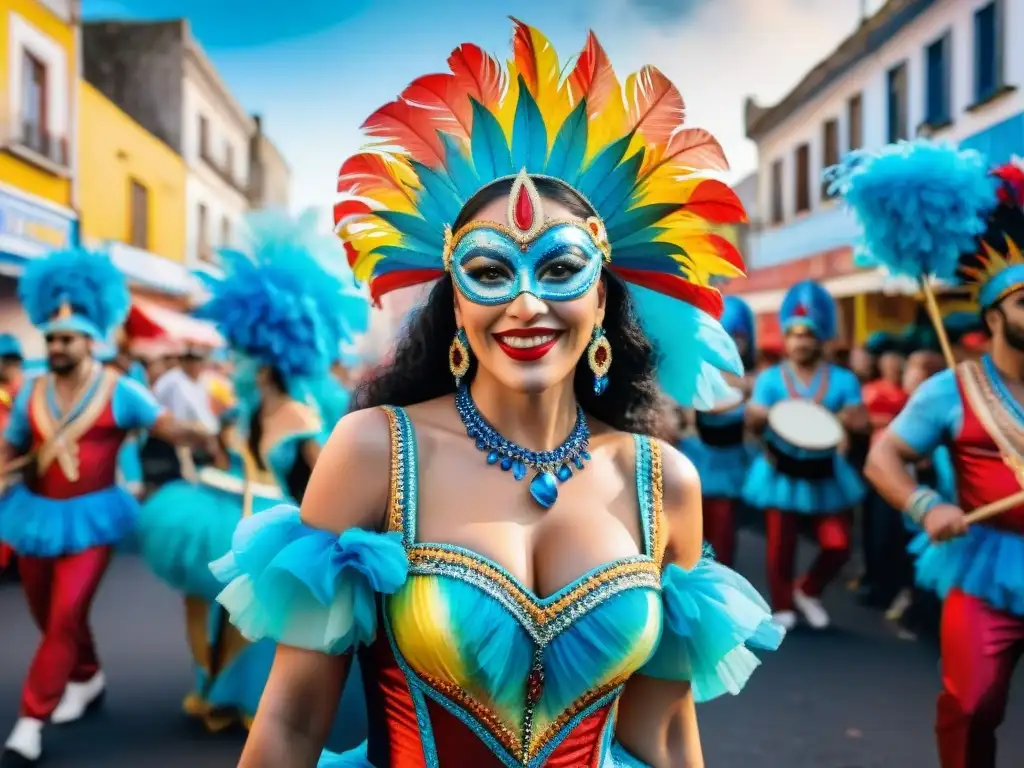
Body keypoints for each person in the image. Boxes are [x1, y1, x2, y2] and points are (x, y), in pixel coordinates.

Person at [209, 21, 783, 768]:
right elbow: (290, 721)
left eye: (559, 270)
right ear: (455, 304)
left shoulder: (663, 481)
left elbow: (664, 734)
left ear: (604, 301)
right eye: (489, 273)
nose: (525, 304)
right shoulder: (375, 452)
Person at [135, 209, 368, 735]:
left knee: (259, 622)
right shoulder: (243, 411)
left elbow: (328, 468)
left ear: (266, 366)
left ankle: (257, 706)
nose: (234, 366)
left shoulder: (301, 417)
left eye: (243, 359)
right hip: (226, 514)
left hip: (272, 526)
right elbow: (227, 455)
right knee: (217, 610)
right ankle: (217, 692)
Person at [0, 248, 213, 766]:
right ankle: (87, 676)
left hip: (95, 517)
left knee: (66, 612)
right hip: (35, 514)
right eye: (50, 338)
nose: (56, 345)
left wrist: (211, 432)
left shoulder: (122, 391)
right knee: (49, 613)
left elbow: (166, 426)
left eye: (66, 338)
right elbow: (12, 445)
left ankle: (31, 719)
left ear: (90, 340)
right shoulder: (30, 390)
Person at [857, 149, 1024, 768]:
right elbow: (884, 458)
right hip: (984, 567)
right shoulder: (950, 388)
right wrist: (926, 505)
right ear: (994, 313)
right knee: (972, 704)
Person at [743, 280, 869, 630]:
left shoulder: (844, 380)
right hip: (780, 470)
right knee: (780, 546)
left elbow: (860, 424)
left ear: (821, 338)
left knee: (839, 544)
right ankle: (782, 603)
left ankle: (807, 590)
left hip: (827, 471)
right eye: (795, 335)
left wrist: (858, 422)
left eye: (808, 335)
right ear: (786, 338)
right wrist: (755, 418)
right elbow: (754, 425)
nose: (801, 342)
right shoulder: (770, 379)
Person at [680, 295, 757, 567]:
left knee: (723, 542)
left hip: (733, 470)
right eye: (723, 334)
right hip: (694, 466)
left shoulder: (753, 381)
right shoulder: (693, 374)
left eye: (738, 335)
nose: (732, 342)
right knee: (691, 544)